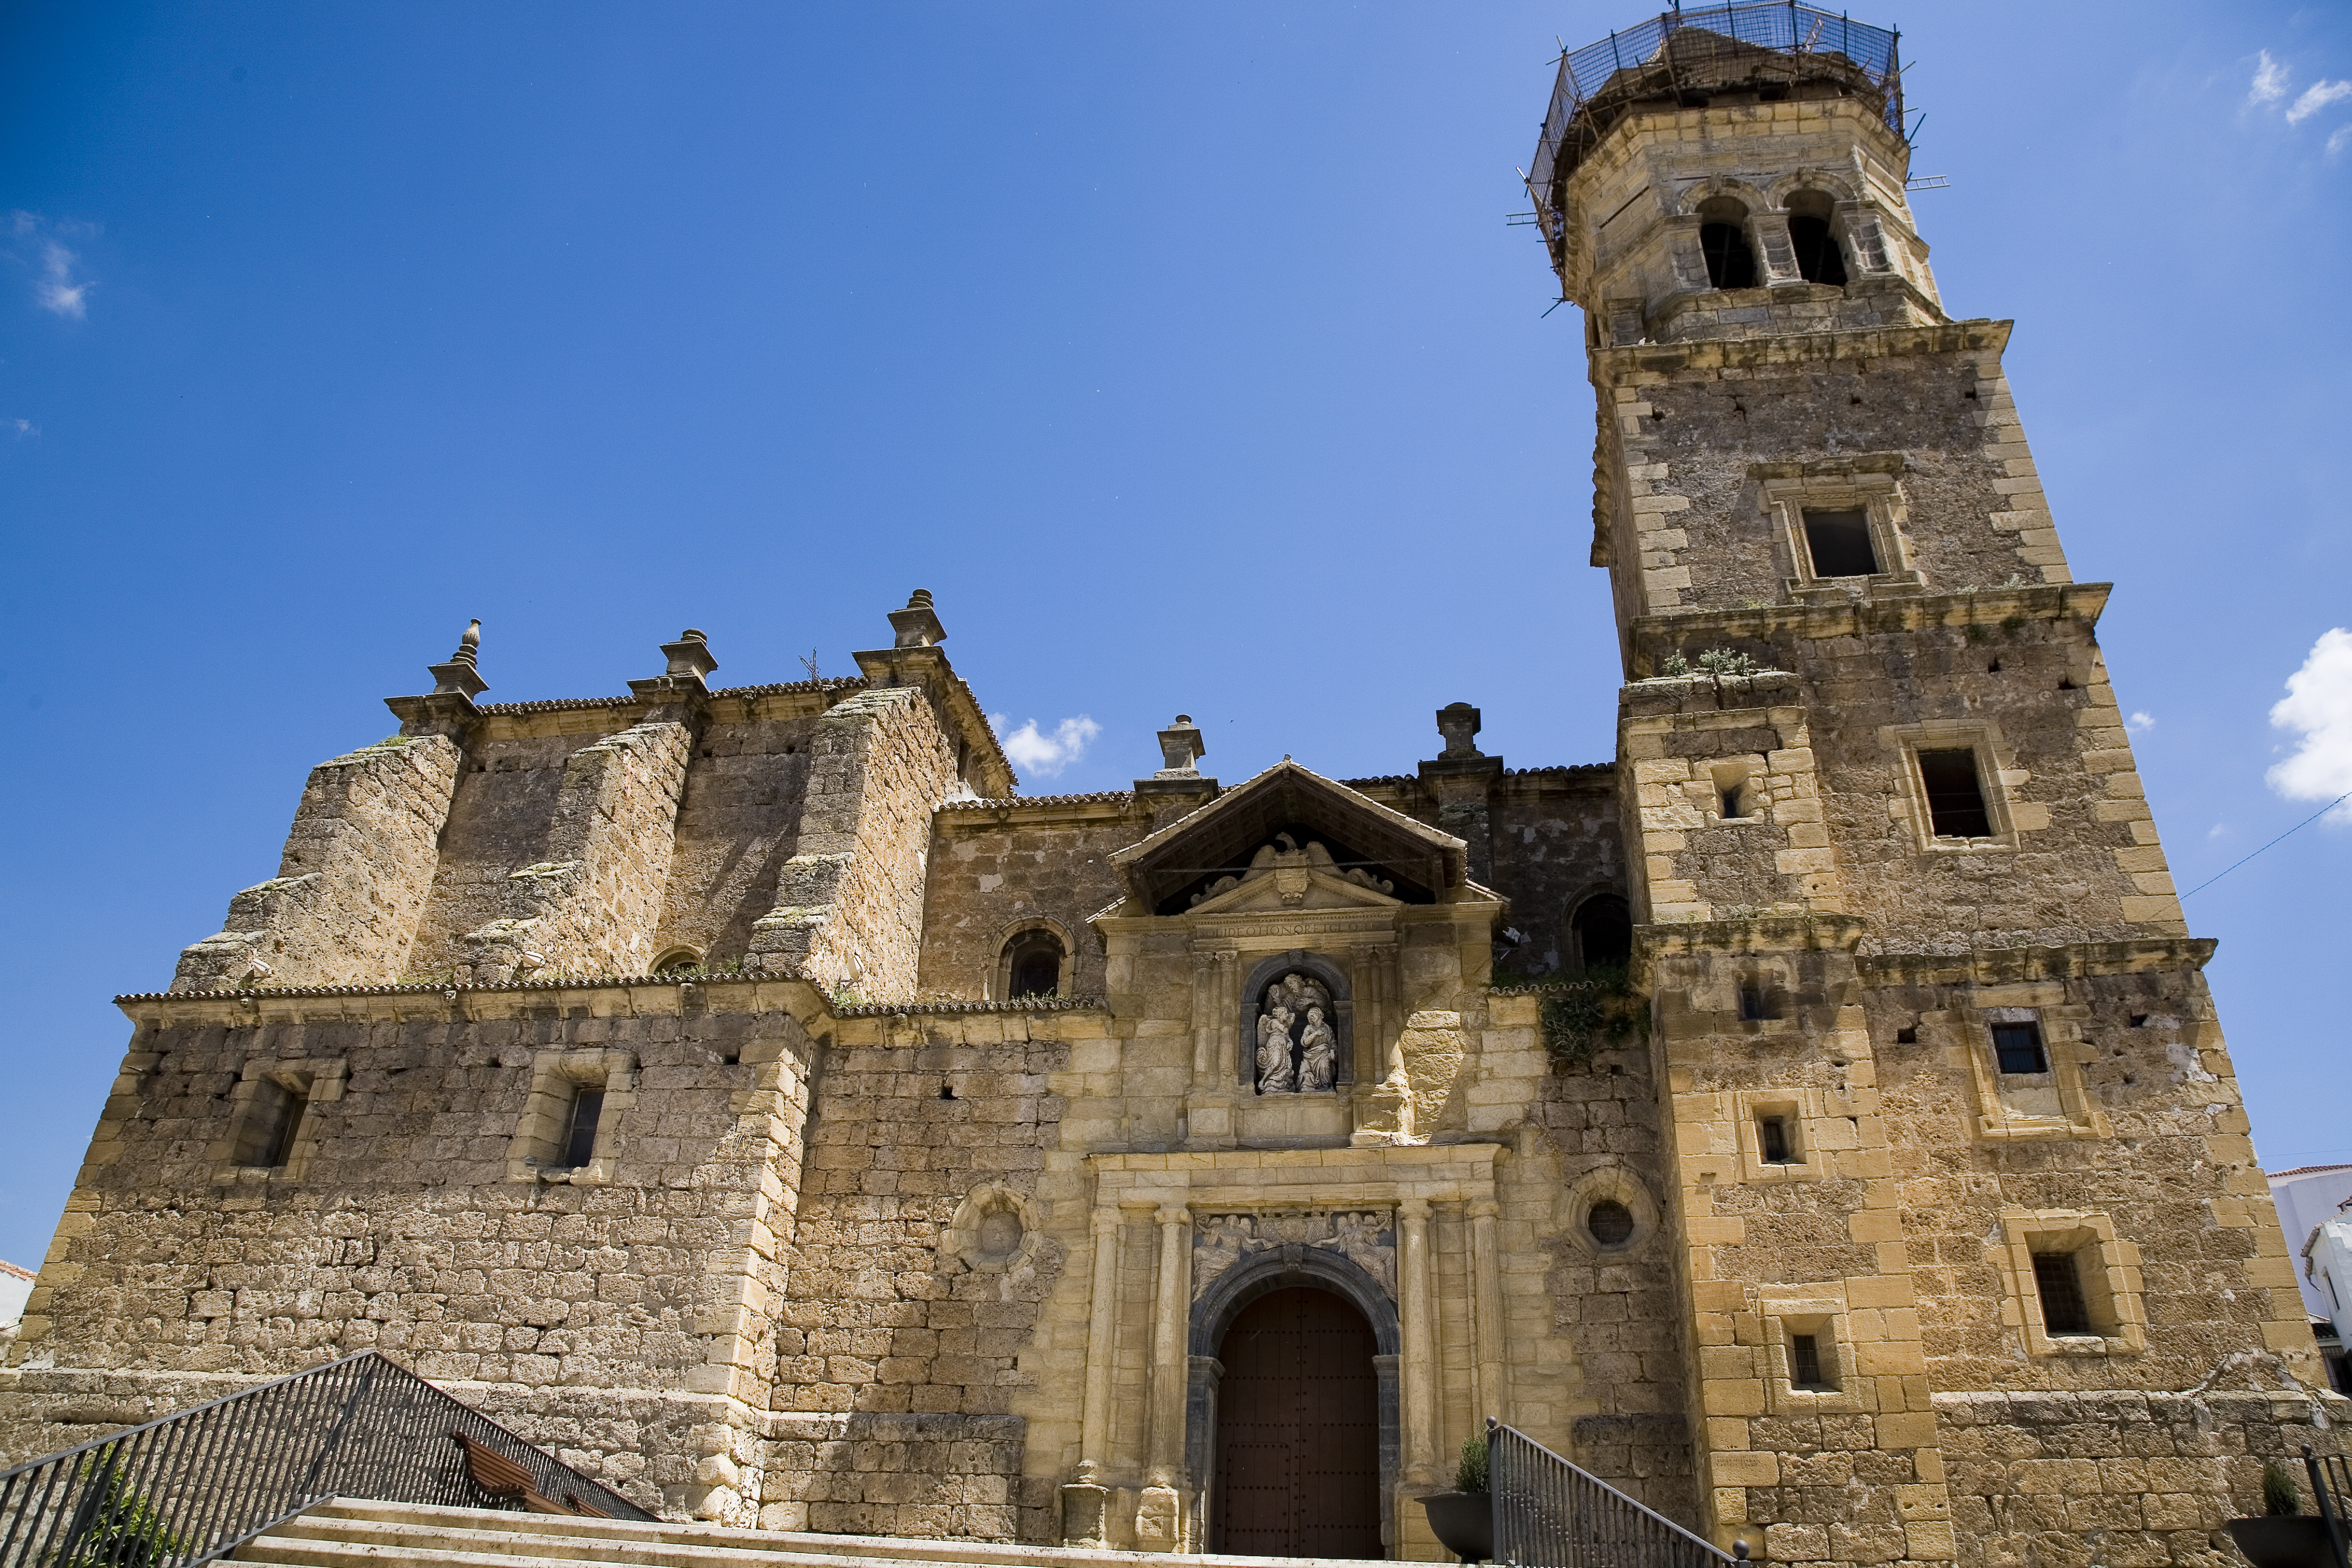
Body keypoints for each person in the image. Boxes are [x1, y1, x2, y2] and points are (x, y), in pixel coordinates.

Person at [1256, 1005, 1296, 1093]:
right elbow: (1284, 1030)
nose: (1287, 1015)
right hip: (1275, 1044)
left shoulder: (1283, 1024)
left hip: (1283, 1045)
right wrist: (1288, 1023)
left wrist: (1291, 1042)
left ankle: (1282, 1083)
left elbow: (1287, 1036)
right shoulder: (1274, 1022)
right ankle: (1263, 1081)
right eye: (1285, 1014)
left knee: (1287, 1065)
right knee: (1276, 1063)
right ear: (1280, 1014)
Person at [1297, 1005, 1337, 1092]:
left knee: (1324, 1066)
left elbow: (1332, 1042)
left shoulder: (1327, 1029)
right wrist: (1315, 1034)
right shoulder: (1309, 1028)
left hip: (1324, 1054)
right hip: (1310, 1056)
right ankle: (1309, 1086)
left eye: (1313, 1015)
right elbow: (1304, 1042)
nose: (1311, 1017)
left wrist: (1333, 1052)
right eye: (1309, 1016)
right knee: (1305, 1074)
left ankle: (1326, 1086)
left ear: (1320, 1015)